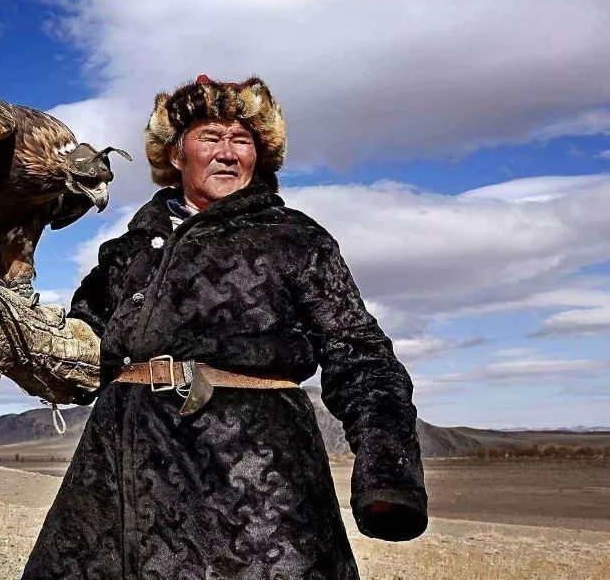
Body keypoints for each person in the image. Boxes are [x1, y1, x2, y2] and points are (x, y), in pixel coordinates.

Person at [21, 74, 428, 580]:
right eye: (210, 137)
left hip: (253, 478)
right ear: (176, 155)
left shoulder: (295, 238)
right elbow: (81, 348)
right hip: (117, 469)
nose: (227, 152)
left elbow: (359, 353)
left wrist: (387, 472)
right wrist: (15, 339)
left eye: (241, 140)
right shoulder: (126, 252)